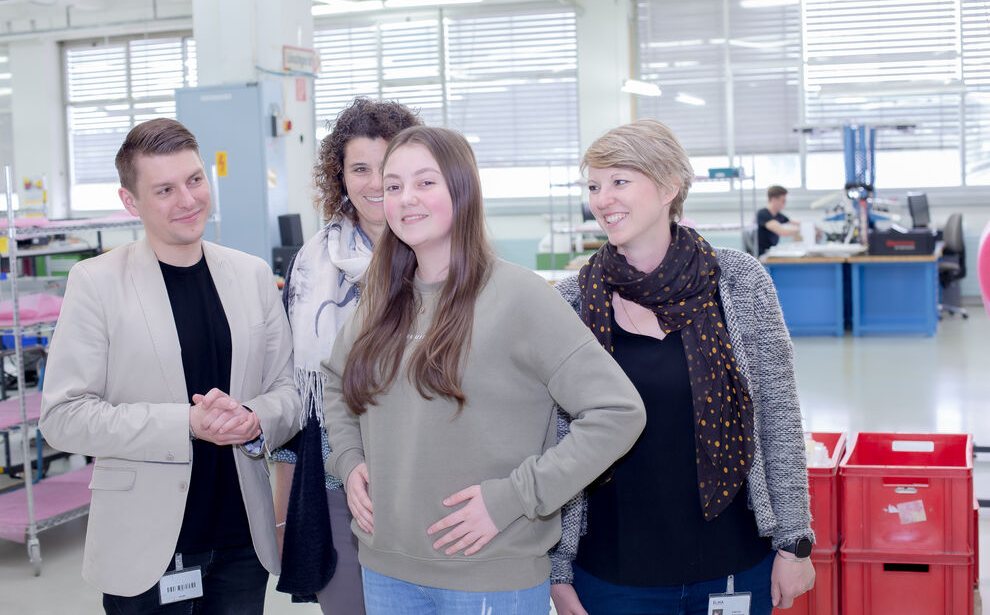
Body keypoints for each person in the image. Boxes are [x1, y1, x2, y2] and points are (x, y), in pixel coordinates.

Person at [320, 126, 647, 615]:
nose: (406, 198)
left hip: (491, 574)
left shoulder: (520, 296)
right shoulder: (381, 299)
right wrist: (348, 461)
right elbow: (336, 383)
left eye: (425, 182)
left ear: (462, 189)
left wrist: (515, 497)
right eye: (393, 186)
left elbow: (618, 412)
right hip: (386, 568)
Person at [549, 120, 815, 615]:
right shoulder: (572, 303)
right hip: (613, 575)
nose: (602, 199)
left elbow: (779, 418)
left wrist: (794, 543)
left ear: (669, 186)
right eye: (594, 186)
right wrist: (557, 571)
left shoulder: (739, 282)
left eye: (620, 181)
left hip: (734, 564)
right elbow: (551, 442)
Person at [39, 118, 300, 614]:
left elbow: (288, 392)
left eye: (195, 180)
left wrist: (254, 418)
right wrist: (187, 423)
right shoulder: (96, 283)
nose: (188, 199)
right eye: (164, 189)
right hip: (144, 548)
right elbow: (63, 418)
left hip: (241, 542)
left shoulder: (251, 275)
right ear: (130, 202)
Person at [272, 97, 421, 612]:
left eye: (389, 166)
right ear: (339, 176)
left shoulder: (445, 261)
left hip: (425, 482)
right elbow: (295, 395)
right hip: (336, 486)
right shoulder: (309, 267)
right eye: (360, 169)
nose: (376, 183)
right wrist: (283, 515)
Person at [756, 184, 802, 256]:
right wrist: (804, 229)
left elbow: (796, 223)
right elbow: (782, 232)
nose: (784, 204)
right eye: (783, 201)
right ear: (774, 199)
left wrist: (814, 227)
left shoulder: (778, 215)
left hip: (771, 252)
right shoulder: (763, 214)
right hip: (763, 255)